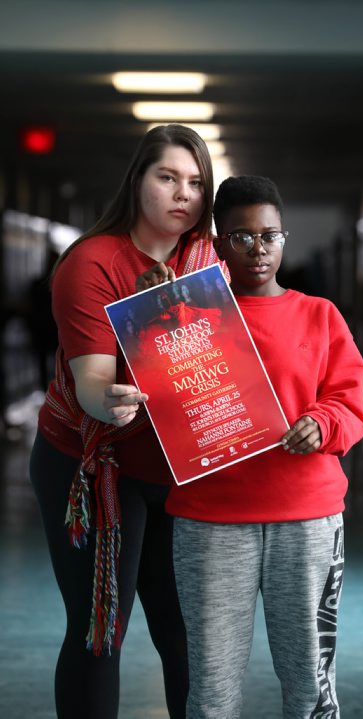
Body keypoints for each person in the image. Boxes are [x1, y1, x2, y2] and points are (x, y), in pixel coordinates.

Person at [29, 124, 223, 719]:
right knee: (100, 631)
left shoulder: (208, 261)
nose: (182, 193)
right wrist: (107, 399)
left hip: (175, 465)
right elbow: (91, 381)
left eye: (194, 182)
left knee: (188, 631)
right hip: (91, 464)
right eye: (167, 177)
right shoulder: (92, 261)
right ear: (137, 181)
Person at [166, 175, 363, 718]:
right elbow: (164, 402)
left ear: (284, 238)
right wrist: (155, 315)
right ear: (217, 241)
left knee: (310, 677)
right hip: (211, 520)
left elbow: (351, 404)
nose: (259, 250)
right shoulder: (191, 319)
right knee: (210, 685)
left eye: (270, 236)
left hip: (306, 519)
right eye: (242, 237)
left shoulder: (319, 315)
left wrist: (322, 423)